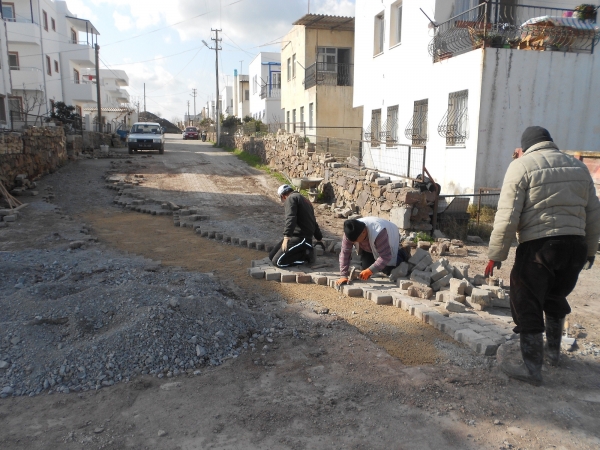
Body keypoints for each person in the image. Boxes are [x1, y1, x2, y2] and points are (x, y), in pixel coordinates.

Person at [486, 126, 600, 385]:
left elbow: (507, 215)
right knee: (554, 296)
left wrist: (496, 254)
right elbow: (594, 213)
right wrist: (591, 250)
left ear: (525, 147)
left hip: (540, 247)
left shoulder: (521, 166)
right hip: (575, 247)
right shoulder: (578, 167)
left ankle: (532, 370)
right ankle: (553, 354)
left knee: (526, 299)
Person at [336, 217, 410, 286]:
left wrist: (370, 270)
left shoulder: (379, 232)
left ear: (364, 232)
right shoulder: (350, 233)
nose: (353, 243)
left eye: (355, 240)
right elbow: (345, 253)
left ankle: (403, 252)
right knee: (366, 267)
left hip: (388, 240)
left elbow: (385, 256)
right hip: (370, 248)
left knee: (386, 269)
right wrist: (343, 275)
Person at [269, 184, 323, 267]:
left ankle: (306, 255)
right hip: (297, 236)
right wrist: (319, 238)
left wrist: (286, 237)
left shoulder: (290, 198)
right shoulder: (305, 200)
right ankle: (301, 251)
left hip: (302, 238)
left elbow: (291, 217)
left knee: (277, 262)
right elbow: (313, 221)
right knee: (271, 256)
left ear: (283, 196)